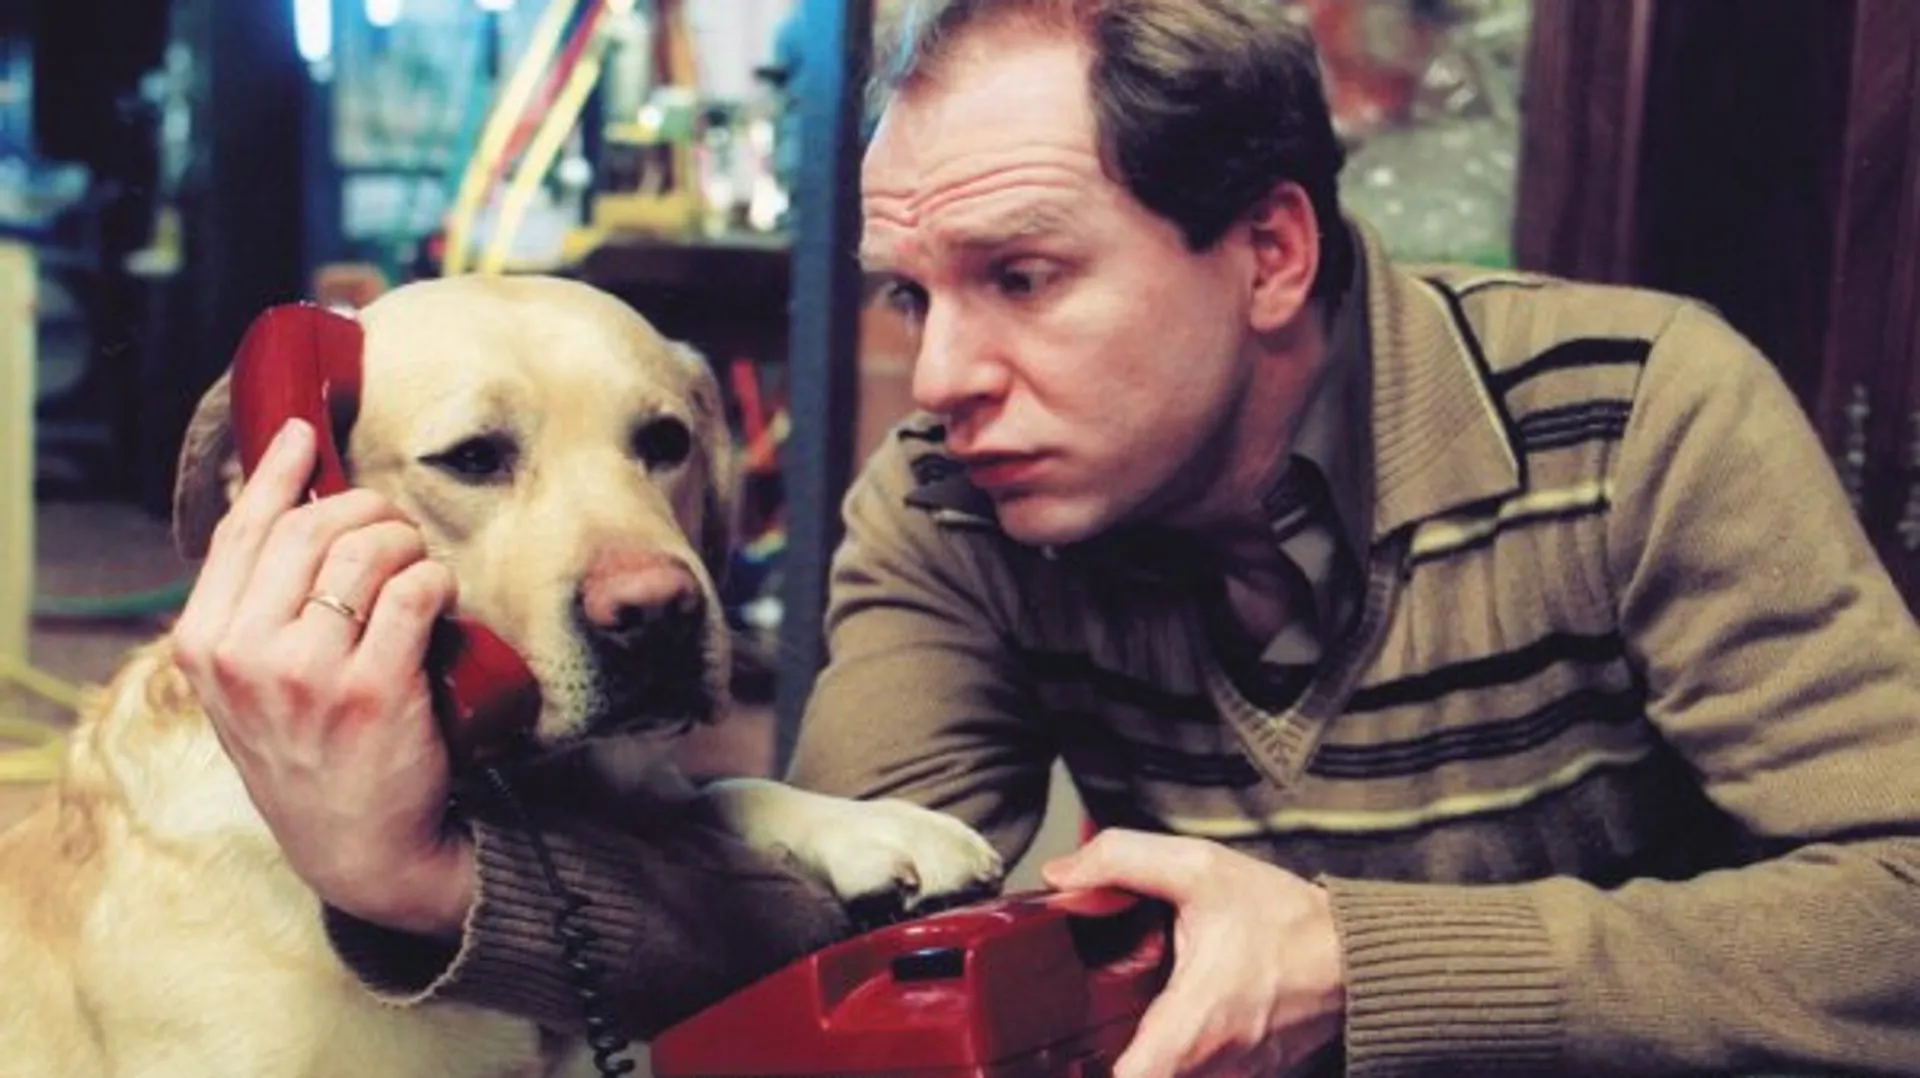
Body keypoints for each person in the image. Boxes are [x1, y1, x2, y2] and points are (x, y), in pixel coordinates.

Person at [172, 1, 1920, 1075]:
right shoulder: (953, 497)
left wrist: (1351, 961)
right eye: (911, 294)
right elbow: (822, 954)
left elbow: (1903, 906)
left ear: (1270, 252)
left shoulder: (1640, 414)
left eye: (1021, 276)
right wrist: (414, 878)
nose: (940, 377)